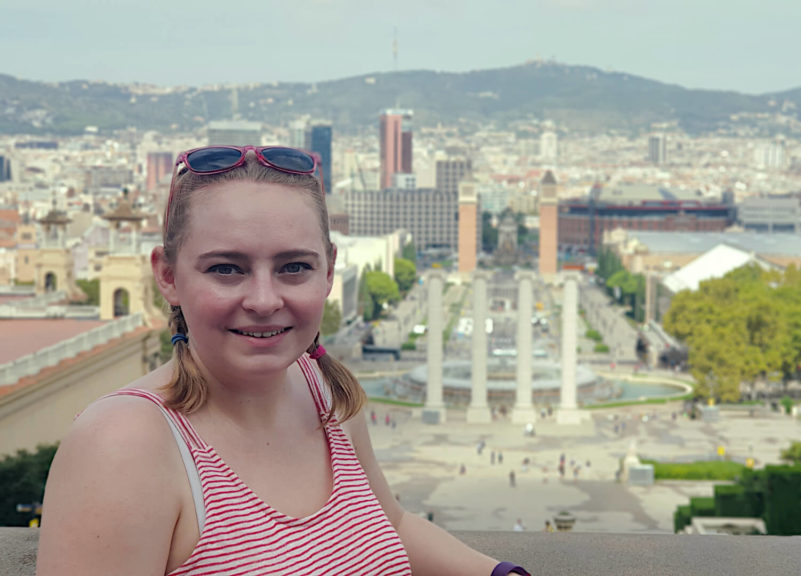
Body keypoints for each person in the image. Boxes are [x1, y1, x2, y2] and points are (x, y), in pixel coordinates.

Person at [36, 146, 529, 576]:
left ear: (329, 271)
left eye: (294, 267)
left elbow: (391, 525)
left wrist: (502, 573)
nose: (265, 299)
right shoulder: (123, 445)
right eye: (226, 269)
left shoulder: (325, 392)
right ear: (167, 276)